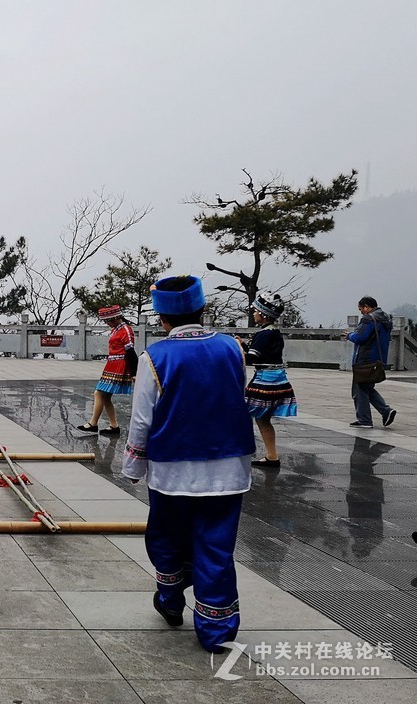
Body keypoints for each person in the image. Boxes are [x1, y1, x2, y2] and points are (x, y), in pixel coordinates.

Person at [122, 275, 255, 654]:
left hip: (173, 469)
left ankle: (170, 598)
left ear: (162, 317)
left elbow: (142, 418)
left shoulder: (155, 357)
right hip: (228, 467)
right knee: (217, 546)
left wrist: (133, 466)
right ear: (202, 308)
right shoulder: (232, 348)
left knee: (167, 536)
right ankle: (216, 629)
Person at [238, 294, 297, 468]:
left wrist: (238, 347)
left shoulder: (263, 335)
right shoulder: (274, 333)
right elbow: (262, 355)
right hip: (277, 378)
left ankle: (242, 450)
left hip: (265, 380)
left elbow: (251, 358)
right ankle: (271, 456)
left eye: (255, 311)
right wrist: (244, 346)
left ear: (263, 314)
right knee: (263, 419)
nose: (253, 313)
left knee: (246, 414)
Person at [77, 304, 137, 435]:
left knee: (99, 393)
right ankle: (113, 426)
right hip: (112, 364)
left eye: (108, 321)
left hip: (119, 364)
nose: (107, 323)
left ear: (115, 318)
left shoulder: (126, 330)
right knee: (104, 396)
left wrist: (134, 373)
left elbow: (130, 351)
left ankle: (93, 423)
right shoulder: (116, 329)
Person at [347, 296, 397, 428]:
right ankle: (386, 411)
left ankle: (365, 420)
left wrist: (349, 335)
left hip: (365, 359)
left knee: (359, 389)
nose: (361, 312)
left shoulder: (369, 319)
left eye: (361, 309)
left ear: (367, 307)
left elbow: (360, 337)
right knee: (366, 388)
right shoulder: (385, 318)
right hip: (378, 359)